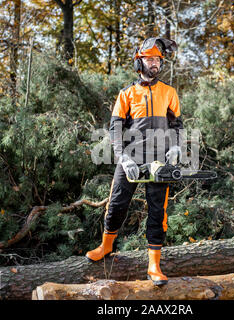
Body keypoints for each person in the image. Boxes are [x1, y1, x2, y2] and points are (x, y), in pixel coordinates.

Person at [86, 38, 183, 286]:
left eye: (159, 60)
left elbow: (177, 126)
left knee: (157, 211)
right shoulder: (127, 94)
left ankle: (154, 264)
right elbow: (115, 129)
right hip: (131, 158)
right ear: (139, 62)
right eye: (151, 59)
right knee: (117, 203)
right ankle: (106, 246)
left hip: (160, 160)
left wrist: (175, 147)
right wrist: (122, 157)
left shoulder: (169, 92)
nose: (156, 64)